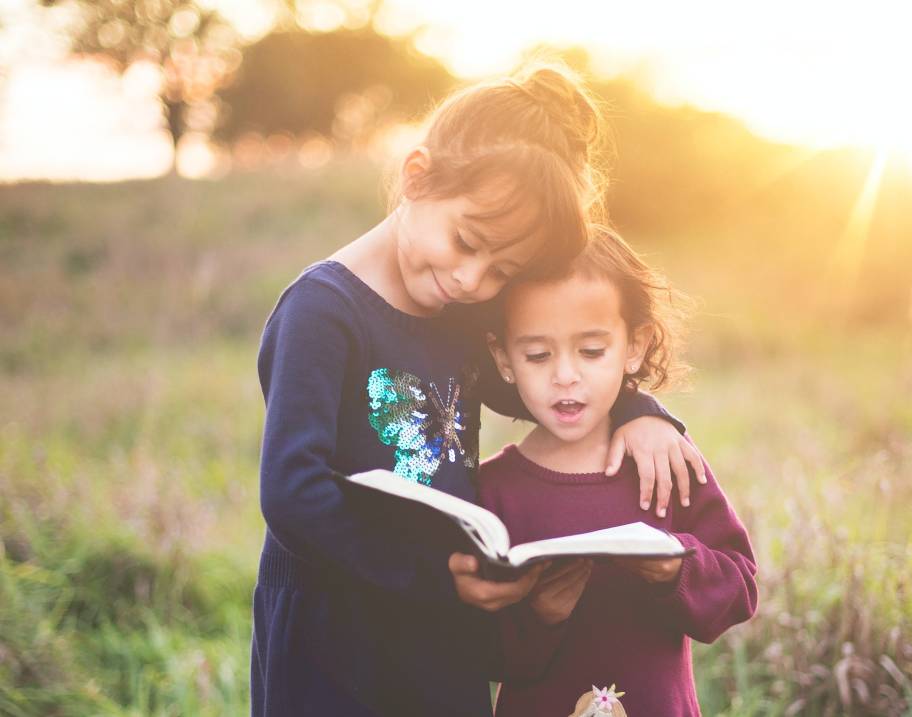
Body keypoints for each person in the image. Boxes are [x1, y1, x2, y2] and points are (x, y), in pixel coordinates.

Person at [250, 64, 708, 717]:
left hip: (440, 626)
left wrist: (640, 410)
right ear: (417, 176)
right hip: (334, 630)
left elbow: (547, 391)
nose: (472, 280)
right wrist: (435, 578)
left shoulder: (458, 313)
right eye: (466, 242)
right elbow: (292, 493)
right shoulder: (323, 311)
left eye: (502, 270)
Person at [480, 228, 758, 717]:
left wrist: (676, 568)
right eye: (538, 355)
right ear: (503, 357)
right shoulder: (493, 491)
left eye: (591, 351)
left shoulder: (663, 460)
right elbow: (478, 652)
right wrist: (538, 615)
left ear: (635, 346)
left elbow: (740, 589)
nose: (565, 375)